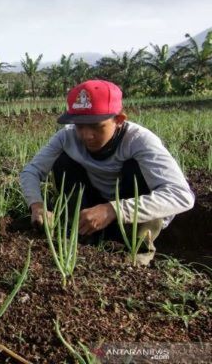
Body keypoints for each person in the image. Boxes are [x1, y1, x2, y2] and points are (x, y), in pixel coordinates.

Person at [20, 79, 194, 264]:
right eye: (80, 125)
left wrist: (113, 210)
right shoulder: (67, 136)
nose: (86, 135)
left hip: (132, 216)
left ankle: (137, 250)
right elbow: (31, 171)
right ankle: (79, 235)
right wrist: (37, 205)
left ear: (119, 120)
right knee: (64, 161)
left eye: (96, 126)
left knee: (134, 168)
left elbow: (182, 195)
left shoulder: (140, 141)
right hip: (92, 207)